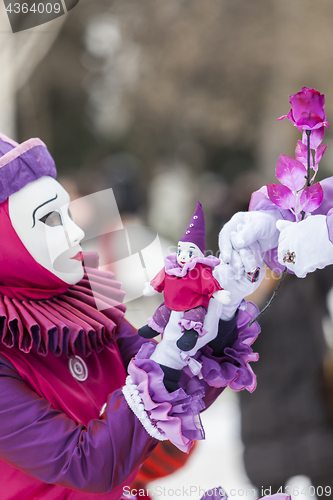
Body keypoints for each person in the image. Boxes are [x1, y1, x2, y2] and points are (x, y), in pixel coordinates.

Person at [0, 132, 260, 499]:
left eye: (68, 213)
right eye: (50, 219)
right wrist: (167, 360)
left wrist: (219, 309)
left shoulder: (85, 305)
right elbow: (85, 465)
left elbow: (180, 384)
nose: (75, 232)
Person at [138, 201, 230, 355]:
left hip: (193, 302)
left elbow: (208, 283)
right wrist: (152, 287)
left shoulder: (199, 271)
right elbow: (161, 278)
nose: (183, 257)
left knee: (195, 315)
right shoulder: (171, 266)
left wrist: (217, 293)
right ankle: (154, 326)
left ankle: (190, 334)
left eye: (189, 253)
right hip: (171, 301)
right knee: (163, 311)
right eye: (181, 251)